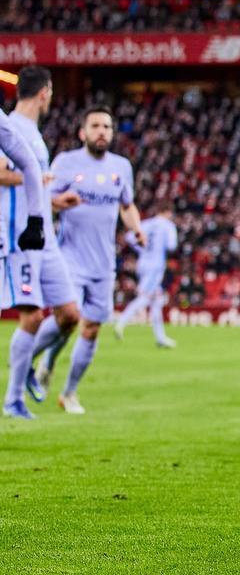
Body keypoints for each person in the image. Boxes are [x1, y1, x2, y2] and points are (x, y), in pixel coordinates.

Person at [31, 106, 144, 414]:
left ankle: (68, 393)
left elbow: (127, 206)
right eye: (95, 126)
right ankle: (30, 359)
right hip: (69, 257)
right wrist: (57, 202)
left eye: (107, 127)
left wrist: (137, 229)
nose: (101, 131)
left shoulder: (121, 167)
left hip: (103, 263)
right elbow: (42, 201)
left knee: (91, 328)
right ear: (83, 132)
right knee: (68, 316)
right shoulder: (66, 163)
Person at [0, 83, 51, 420]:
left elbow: (29, 164)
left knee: (49, 313)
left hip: (14, 234)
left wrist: (35, 219)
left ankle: (15, 396)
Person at [114, 204, 178, 348]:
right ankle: (120, 323)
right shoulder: (168, 226)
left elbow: (130, 237)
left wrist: (142, 249)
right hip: (155, 267)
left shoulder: (147, 223)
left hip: (142, 263)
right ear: (167, 212)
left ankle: (160, 338)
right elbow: (171, 246)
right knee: (145, 298)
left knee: (157, 301)